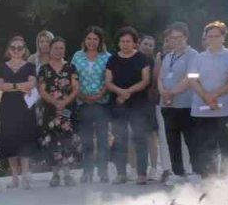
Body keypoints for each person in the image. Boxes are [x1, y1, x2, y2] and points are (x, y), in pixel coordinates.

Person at [187, 21, 228, 178]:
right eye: (210, 36)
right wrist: (206, 97)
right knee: (206, 148)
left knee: (226, 148)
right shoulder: (198, 58)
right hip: (202, 110)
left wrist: (214, 95)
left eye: (217, 36)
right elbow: (192, 80)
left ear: (224, 37)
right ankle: (209, 181)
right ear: (205, 38)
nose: (214, 39)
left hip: (225, 108)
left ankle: (226, 181)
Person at [104, 27, 154, 184]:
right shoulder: (112, 59)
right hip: (118, 103)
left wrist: (127, 92)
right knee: (119, 139)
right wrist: (120, 92)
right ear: (118, 43)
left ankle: (141, 174)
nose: (125, 44)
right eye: (122, 41)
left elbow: (145, 80)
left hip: (138, 103)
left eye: (128, 41)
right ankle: (121, 174)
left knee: (140, 138)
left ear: (134, 43)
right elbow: (108, 81)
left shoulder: (142, 58)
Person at [156, 22, 198, 185]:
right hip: (167, 105)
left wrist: (172, 92)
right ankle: (178, 173)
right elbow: (160, 77)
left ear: (186, 37)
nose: (176, 41)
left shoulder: (193, 55)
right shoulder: (168, 56)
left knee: (192, 140)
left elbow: (192, 77)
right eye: (173, 38)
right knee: (172, 141)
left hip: (186, 104)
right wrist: (163, 92)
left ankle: (196, 172)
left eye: (179, 37)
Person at [36, 36, 81, 186]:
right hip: (50, 111)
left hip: (67, 111)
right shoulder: (44, 69)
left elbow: (76, 89)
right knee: (52, 142)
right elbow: (42, 91)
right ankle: (55, 175)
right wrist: (56, 102)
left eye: (61, 48)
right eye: (56, 48)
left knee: (67, 141)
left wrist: (64, 103)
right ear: (50, 49)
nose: (58, 51)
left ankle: (68, 175)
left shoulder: (70, 68)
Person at [0, 36, 40, 189]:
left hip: (25, 106)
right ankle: (14, 177)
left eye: (19, 48)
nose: (16, 50)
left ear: (24, 50)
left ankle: (26, 176)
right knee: (10, 141)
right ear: (9, 50)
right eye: (13, 48)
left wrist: (12, 86)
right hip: (8, 107)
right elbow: (1, 86)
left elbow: (31, 84)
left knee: (24, 138)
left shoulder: (29, 66)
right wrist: (19, 86)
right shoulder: (2, 66)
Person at [71, 27, 112, 183]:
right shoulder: (77, 56)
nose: (92, 42)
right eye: (89, 38)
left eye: (95, 39)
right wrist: (81, 95)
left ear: (100, 41)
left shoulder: (107, 57)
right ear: (84, 40)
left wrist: (99, 95)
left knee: (102, 139)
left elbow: (109, 80)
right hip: (83, 102)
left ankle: (103, 172)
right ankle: (87, 171)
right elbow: (73, 78)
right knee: (86, 139)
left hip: (102, 103)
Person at [139, 33, 169, 183]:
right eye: (145, 44)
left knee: (152, 136)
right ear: (139, 43)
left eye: (150, 45)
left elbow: (156, 81)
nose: (147, 47)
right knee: (135, 136)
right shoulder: (131, 58)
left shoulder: (154, 61)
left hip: (150, 101)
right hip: (133, 102)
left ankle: (154, 168)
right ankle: (136, 169)